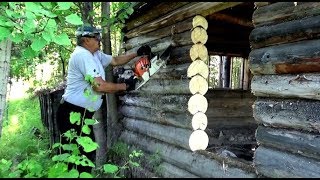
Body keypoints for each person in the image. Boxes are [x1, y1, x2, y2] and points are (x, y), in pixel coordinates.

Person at [55, 25, 150, 173]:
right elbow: (98, 86)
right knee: (78, 159)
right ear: (86, 40)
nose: (99, 40)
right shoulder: (82, 55)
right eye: (96, 37)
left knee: (85, 156)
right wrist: (124, 86)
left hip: (82, 115)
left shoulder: (94, 54)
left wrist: (136, 53)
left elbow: (115, 60)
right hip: (71, 114)